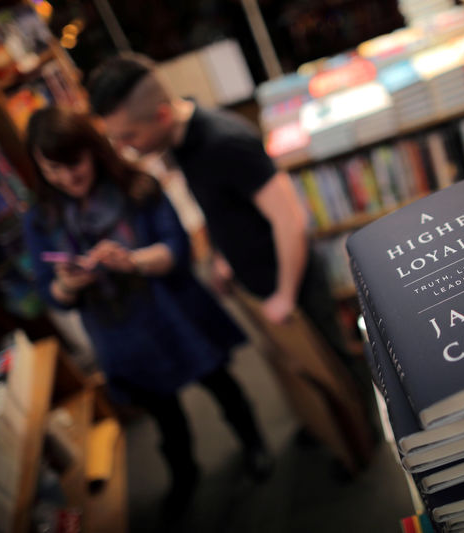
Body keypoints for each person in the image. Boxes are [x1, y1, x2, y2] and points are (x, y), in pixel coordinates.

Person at [86, 54, 375, 474]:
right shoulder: (178, 141)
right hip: (255, 278)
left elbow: (289, 220)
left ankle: (362, 446)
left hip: (289, 281)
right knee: (298, 370)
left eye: (129, 135)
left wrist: (284, 294)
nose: (124, 146)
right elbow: (226, 207)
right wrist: (223, 257)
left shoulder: (224, 141)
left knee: (333, 366)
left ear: (162, 115)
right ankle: (329, 427)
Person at [21, 108, 273, 513]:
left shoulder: (136, 185)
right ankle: (184, 473)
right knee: (164, 416)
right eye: (53, 169)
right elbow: (50, 296)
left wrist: (132, 261)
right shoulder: (41, 219)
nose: (68, 178)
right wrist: (68, 283)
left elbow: (179, 249)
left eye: (75, 164)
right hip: (121, 332)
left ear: (93, 150)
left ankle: (254, 443)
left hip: (175, 313)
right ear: (38, 166)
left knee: (221, 386)